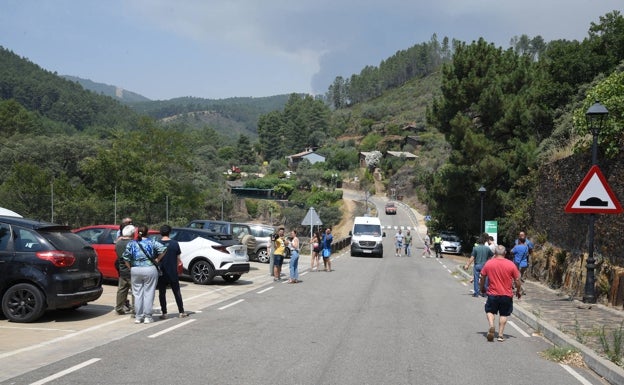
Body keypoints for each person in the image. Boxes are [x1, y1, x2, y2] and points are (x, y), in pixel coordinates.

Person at [122, 225, 166, 324]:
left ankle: (138, 317)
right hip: (149, 269)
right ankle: (147, 316)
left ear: (138, 233)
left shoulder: (132, 243)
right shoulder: (151, 242)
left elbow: (125, 257)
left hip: (136, 269)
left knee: (137, 294)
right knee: (149, 293)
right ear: (147, 233)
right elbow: (163, 249)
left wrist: (131, 268)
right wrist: (158, 259)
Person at [479, 245, 522, 342]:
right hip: (506, 295)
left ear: (495, 253)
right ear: (505, 253)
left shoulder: (489, 263)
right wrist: (518, 291)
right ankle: (501, 335)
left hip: (492, 294)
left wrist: (482, 288)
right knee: (503, 314)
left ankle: (491, 326)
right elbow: (517, 280)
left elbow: (482, 277)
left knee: (489, 311)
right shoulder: (511, 264)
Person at [157, 225, 187, 319]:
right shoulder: (175, 243)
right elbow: (178, 259)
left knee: (162, 293)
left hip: (161, 272)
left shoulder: (157, 243)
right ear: (169, 232)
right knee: (177, 292)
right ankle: (181, 311)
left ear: (160, 233)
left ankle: (164, 313)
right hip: (172, 271)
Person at [114, 224, 135, 315]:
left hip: (122, 269)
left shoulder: (118, 243)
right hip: (132, 270)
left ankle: (119, 308)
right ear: (132, 234)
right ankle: (135, 310)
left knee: (122, 290)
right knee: (135, 291)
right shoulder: (133, 243)